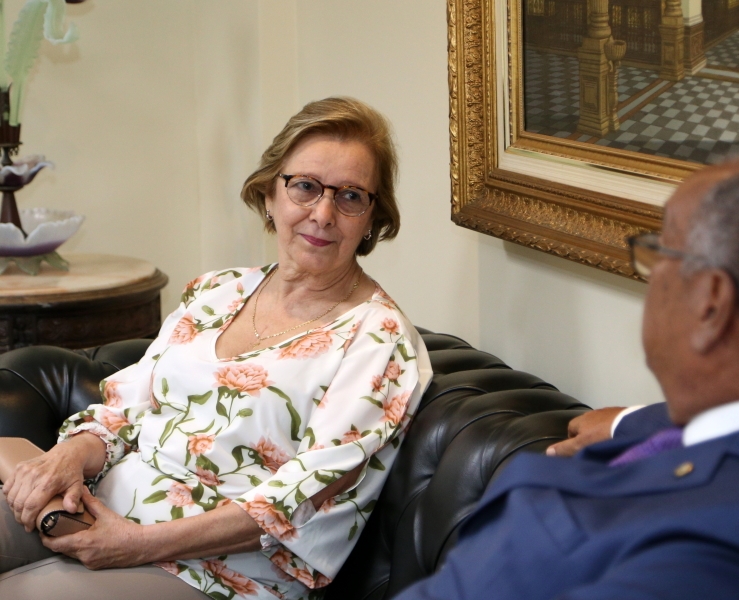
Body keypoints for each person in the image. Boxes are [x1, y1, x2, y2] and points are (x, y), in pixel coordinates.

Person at [395, 154, 739, 600]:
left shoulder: (723, 561)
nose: (650, 270)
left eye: (660, 251)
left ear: (711, 303)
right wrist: (632, 423)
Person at [0, 97, 433, 600]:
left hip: (214, 572)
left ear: (372, 218)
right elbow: (124, 413)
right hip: (90, 511)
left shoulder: (380, 339)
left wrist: (133, 545)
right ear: (270, 194)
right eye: (305, 186)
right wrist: (67, 459)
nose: (323, 213)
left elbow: (297, 499)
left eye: (351, 196)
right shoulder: (217, 290)